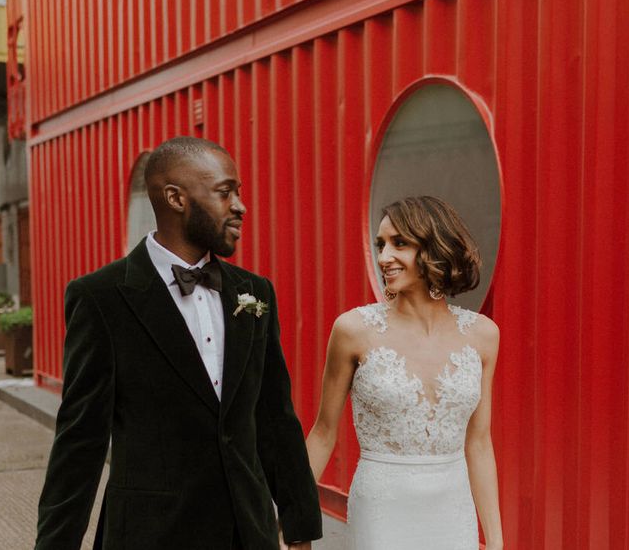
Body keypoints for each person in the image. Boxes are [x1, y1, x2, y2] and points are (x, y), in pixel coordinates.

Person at [35, 136, 322, 550]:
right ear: (175, 198)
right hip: (152, 534)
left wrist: (300, 528)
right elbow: (81, 439)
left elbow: (275, 417)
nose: (240, 206)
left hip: (248, 531)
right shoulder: (101, 297)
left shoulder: (255, 292)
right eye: (225, 192)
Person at [306, 196, 503, 550]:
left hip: (453, 512)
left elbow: (479, 442)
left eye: (400, 243)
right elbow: (323, 433)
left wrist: (497, 540)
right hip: (382, 510)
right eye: (380, 244)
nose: (384, 258)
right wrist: (291, 521)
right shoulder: (353, 330)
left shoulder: (483, 335)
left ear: (435, 248)